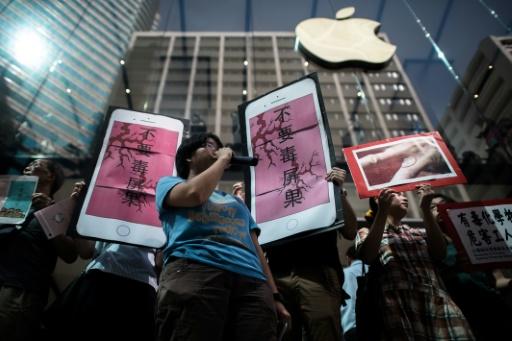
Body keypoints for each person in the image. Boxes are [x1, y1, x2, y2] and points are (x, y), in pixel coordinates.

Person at [154, 132, 290, 341]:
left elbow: (256, 249)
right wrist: (224, 158)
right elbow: (194, 194)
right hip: (196, 268)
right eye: (209, 145)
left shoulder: (235, 202)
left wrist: (274, 296)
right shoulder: (169, 183)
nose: (216, 151)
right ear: (189, 157)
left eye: (220, 147)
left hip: (252, 281)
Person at [44, 181, 160, 341]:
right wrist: (78, 208)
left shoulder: (161, 206)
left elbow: (161, 261)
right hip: (99, 278)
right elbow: (85, 251)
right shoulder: (108, 207)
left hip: (137, 287)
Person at [356, 187, 474, 340]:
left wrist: (425, 208)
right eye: (397, 194)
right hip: (398, 303)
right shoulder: (366, 232)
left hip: (436, 299)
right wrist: (382, 211)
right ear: (378, 199)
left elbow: (440, 253)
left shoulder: (419, 232)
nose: (403, 195)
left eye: (403, 193)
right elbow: (367, 255)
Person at [264, 167, 358, 341]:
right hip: (279, 275)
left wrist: (338, 190)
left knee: (324, 332)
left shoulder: (323, 180)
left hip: (318, 273)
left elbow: (351, 231)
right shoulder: (267, 187)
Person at [421, 185, 512, 340]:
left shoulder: (476, 238)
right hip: (460, 311)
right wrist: (456, 269)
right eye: (433, 208)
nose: (439, 209)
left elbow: (497, 280)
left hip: (493, 306)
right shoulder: (428, 242)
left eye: (442, 205)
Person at [0, 159, 77, 341]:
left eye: (35, 165)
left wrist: (48, 211)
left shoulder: (58, 211)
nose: (27, 167)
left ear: (50, 176)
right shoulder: (10, 204)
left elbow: (70, 254)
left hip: (20, 293)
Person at [341, 245, 368, 341]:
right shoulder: (372, 270)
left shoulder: (344, 273)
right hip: (372, 324)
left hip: (350, 325)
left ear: (349, 257)